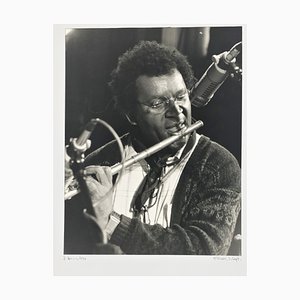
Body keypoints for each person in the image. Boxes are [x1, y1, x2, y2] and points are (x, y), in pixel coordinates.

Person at [64, 40, 241, 255]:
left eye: (181, 96)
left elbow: (205, 252)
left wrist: (111, 221)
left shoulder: (218, 165)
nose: (177, 112)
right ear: (131, 115)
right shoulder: (102, 162)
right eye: (158, 104)